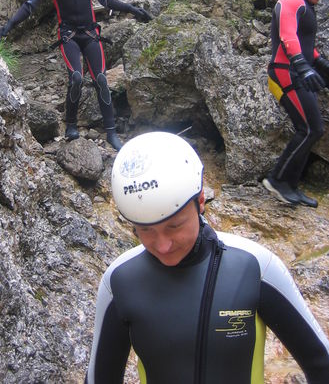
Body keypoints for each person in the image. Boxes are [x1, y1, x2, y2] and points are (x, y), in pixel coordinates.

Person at [85, 132, 329, 384]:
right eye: (145, 230)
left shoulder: (256, 267)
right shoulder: (119, 282)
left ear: (200, 200)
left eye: (174, 226)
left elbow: (321, 363)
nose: (163, 245)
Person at [0, 0, 151, 151]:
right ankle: (70, 125)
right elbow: (31, 5)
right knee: (76, 78)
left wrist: (133, 9)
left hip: (90, 34)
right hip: (68, 35)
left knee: (101, 79)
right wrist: (9, 25)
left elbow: (105, 0)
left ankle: (111, 132)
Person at [263, 0, 329, 208]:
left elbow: (305, 46)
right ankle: (277, 180)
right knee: (309, 129)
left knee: (314, 129)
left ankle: (290, 185)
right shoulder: (290, 1)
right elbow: (287, 36)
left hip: (297, 72)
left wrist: (321, 65)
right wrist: (303, 68)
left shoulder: (306, 5)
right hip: (284, 73)